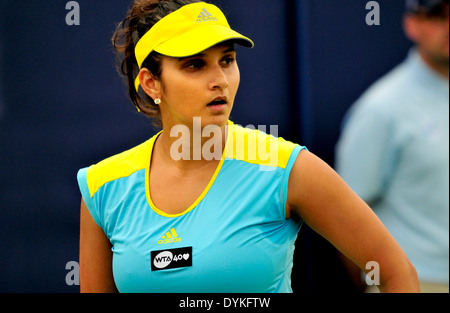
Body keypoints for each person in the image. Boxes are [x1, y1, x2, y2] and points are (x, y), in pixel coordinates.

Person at [78, 0, 419, 293]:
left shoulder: (285, 167)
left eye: (226, 60)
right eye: (195, 64)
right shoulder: (102, 187)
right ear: (151, 82)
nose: (220, 80)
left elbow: (395, 273)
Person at [336, 0, 449, 293]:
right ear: (412, 23)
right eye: (438, 14)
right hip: (419, 282)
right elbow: (344, 217)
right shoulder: (381, 109)